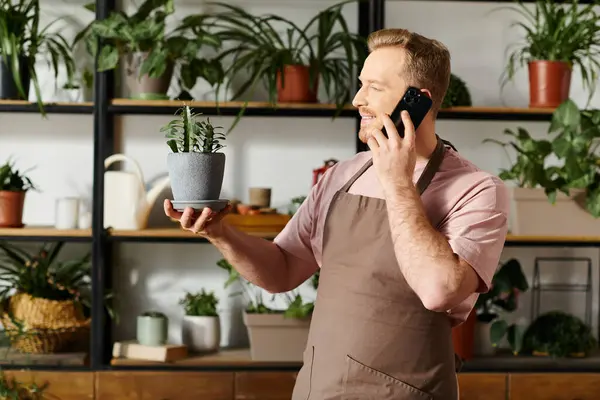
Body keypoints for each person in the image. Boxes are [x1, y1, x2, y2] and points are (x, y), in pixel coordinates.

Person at [165, 28, 509, 400]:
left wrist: (398, 183)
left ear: (418, 102)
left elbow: (438, 290)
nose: (358, 99)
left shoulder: (477, 190)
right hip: (320, 389)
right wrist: (220, 233)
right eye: (361, 85)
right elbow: (281, 270)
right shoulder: (342, 176)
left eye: (374, 88)